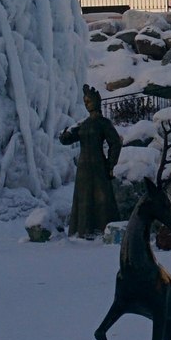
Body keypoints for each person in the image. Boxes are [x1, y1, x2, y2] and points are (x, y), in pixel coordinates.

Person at [59, 87, 122, 239]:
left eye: (89, 101)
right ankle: (83, 230)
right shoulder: (83, 124)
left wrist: (110, 164)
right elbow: (66, 140)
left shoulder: (103, 123)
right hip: (83, 168)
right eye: (85, 102)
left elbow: (115, 143)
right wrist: (66, 132)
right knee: (84, 198)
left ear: (97, 102)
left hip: (99, 165)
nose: (87, 104)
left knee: (102, 199)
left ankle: (102, 231)